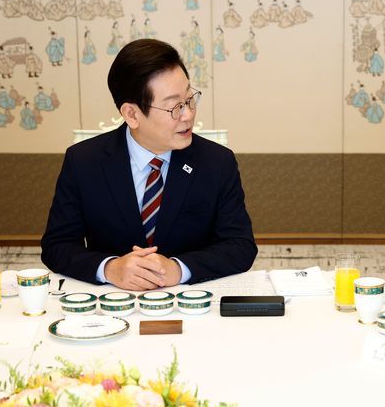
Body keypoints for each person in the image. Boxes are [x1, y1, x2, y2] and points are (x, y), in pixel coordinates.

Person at [41, 39, 257, 291]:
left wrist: (178, 269)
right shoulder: (84, 161)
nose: (188, 114)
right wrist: (110, 268)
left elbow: (240, 246)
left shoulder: (217, 162)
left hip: (190, 301)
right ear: (132, 114)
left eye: (189, 99)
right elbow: (57, 246)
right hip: (113, 301)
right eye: (174, 107)